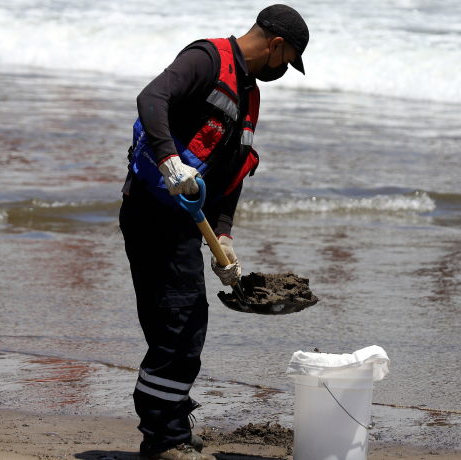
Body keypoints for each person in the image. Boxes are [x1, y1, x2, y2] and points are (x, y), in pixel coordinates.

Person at [118, 5, 309, 460]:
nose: (283, 70)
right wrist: (168, 159)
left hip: (186, 224)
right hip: (150, 215)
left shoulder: (249, 94)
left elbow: (234, 169)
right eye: (288, 60)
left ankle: (169, 421)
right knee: (180, 327)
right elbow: (151, 98)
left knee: (179, 326)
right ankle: (164, 438)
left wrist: (222, 236)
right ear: (276, 45)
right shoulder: (207, 58)